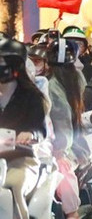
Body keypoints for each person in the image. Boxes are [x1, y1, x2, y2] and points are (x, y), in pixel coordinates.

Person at [0, 35, 49, 219]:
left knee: (12, 187)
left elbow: (40, 128)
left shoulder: (31, 96)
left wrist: (29, 134)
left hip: (20, 159)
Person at [42, 35, 86, 219]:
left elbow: (62, 122)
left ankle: (72, 213)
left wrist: (59, 150)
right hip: (67, 143)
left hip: (65, 146)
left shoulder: (52, 85)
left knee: (61, 169)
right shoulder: (76, 78)